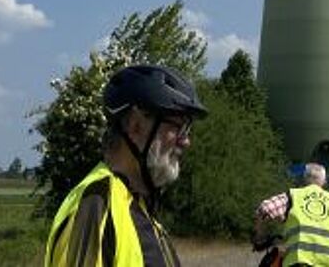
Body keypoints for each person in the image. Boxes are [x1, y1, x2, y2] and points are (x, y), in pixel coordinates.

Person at [45, 62, 208, 267]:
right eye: (178, 127)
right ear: (135, 125)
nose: (186, 141)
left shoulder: (138, 209)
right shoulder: (97, 203)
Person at [253, 162, 329, 267]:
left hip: (298, 262)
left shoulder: (293, 196)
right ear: (324, 182)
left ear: (304, 180)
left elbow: (264, 209)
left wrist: (259, 238)